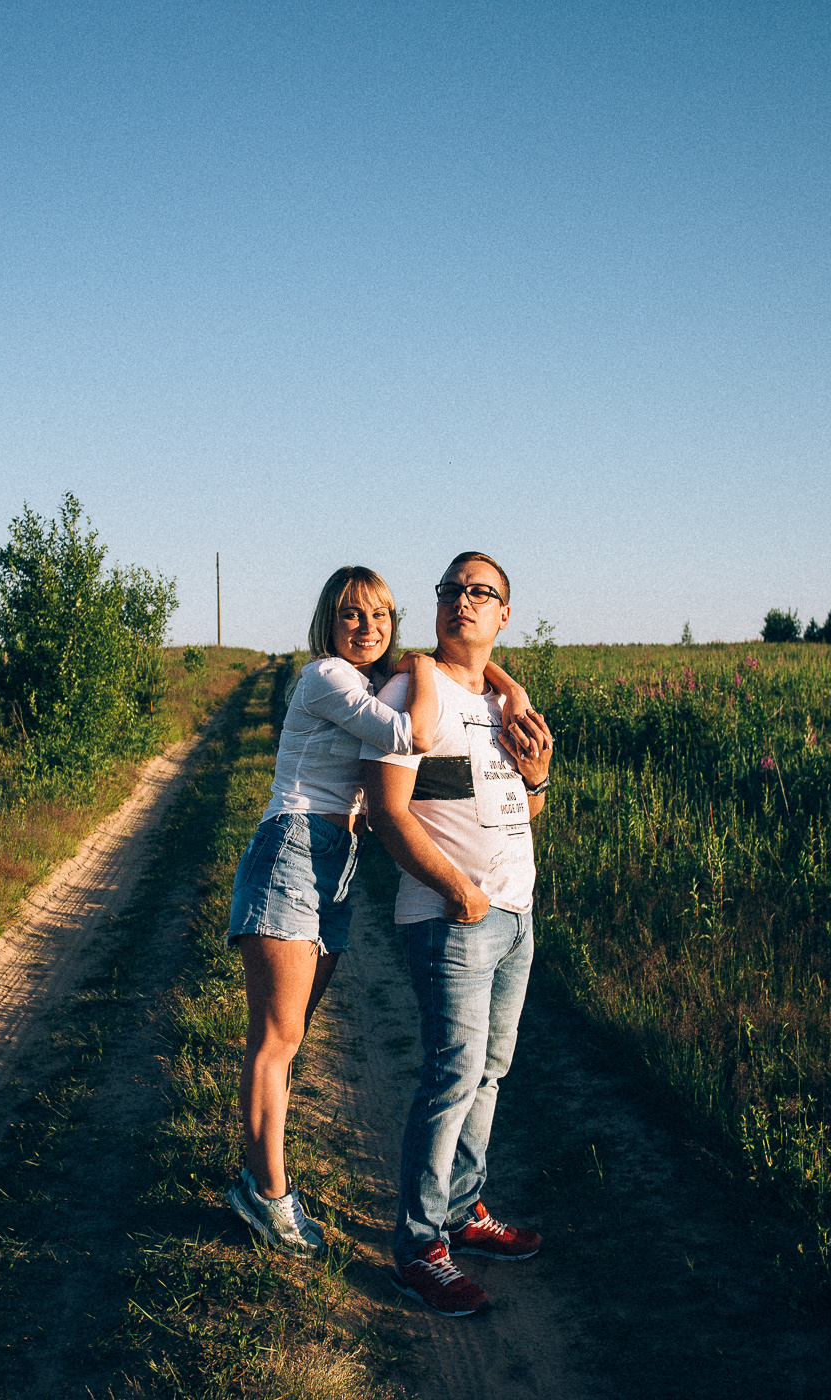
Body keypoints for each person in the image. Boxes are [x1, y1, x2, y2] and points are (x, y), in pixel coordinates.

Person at [225, 565, 532, 1256]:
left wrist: (507, 688)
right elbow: (415, 735)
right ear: (328, 625)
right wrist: (425, 665)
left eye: (381, 617)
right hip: (293, 850)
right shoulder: (327, 679)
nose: (367, 629)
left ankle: (264, 1182)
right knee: (276, 1041)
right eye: (352, 616)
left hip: (334, 860)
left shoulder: (362, 685)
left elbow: (475, 686)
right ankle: (266, 1193)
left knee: (292, 1034)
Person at [360, 551, 554, 1316]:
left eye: (480, 593)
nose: (462, 602)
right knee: (451, 1073)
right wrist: (459, 891)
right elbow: (387, 811)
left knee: (490, 1072)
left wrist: (536, 776)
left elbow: (522, 808)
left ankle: (464, 1212)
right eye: (450, 591)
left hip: (515, 914)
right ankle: (418, 1245)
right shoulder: (414, 691)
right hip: (452, 918)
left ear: (503, 614)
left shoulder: (504, 703)